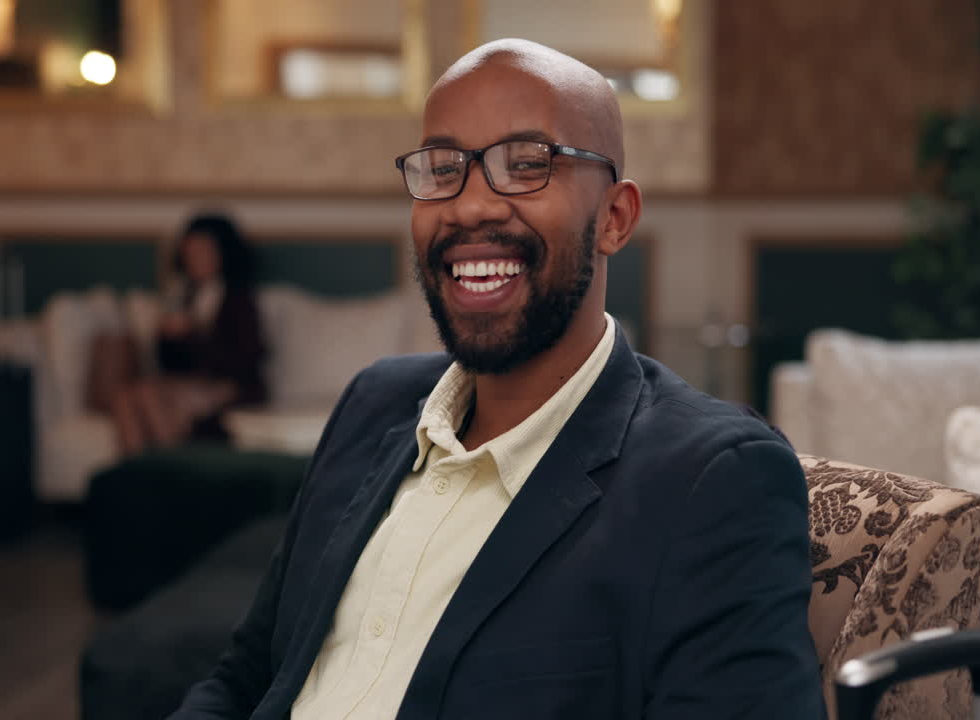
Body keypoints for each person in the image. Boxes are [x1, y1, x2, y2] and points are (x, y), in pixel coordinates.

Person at [170, 40, 823, 719]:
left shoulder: (714, 480)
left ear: (615, 219)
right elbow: (247, 675)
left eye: (527, 165)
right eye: (443, 169)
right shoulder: (372, 404)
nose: (469, 207)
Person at [108, 214, 267, 454]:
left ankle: (172, 469)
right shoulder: (185, 297)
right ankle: (137, 471)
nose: (194, 259)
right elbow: (171, 365)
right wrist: (166, 335)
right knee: (125, 397)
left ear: (222, 253)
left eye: (202, 251)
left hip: (230, 387)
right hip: (189, 383)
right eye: (190, 252)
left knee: (151, 395)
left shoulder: (239, 300)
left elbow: (241, 363)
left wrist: (193, 334)